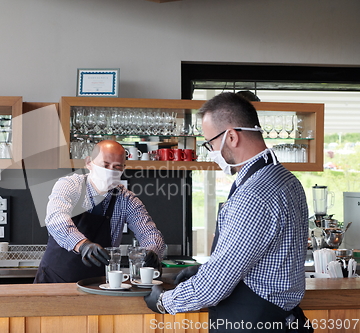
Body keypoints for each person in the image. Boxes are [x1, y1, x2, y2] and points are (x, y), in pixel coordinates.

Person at [145, 93, 311, 332]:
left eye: (209, 143)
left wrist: (163, 302)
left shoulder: (254, 195)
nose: (211, 152)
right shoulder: (286, 179)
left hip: (253, 324)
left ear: (231, 136)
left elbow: (213, 287)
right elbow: (264, 258)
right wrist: (206, 268)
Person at [34, 140, 165, 283]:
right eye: (105, 165)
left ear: (123, 169)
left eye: (116, 167)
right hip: (55, 280)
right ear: (89, 163)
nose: (110, 171)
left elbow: (149, 232)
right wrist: (82, 245)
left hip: (97, 284)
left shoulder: (127, 200)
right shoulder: (70, 185)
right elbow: (56, 218)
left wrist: (153, 251)